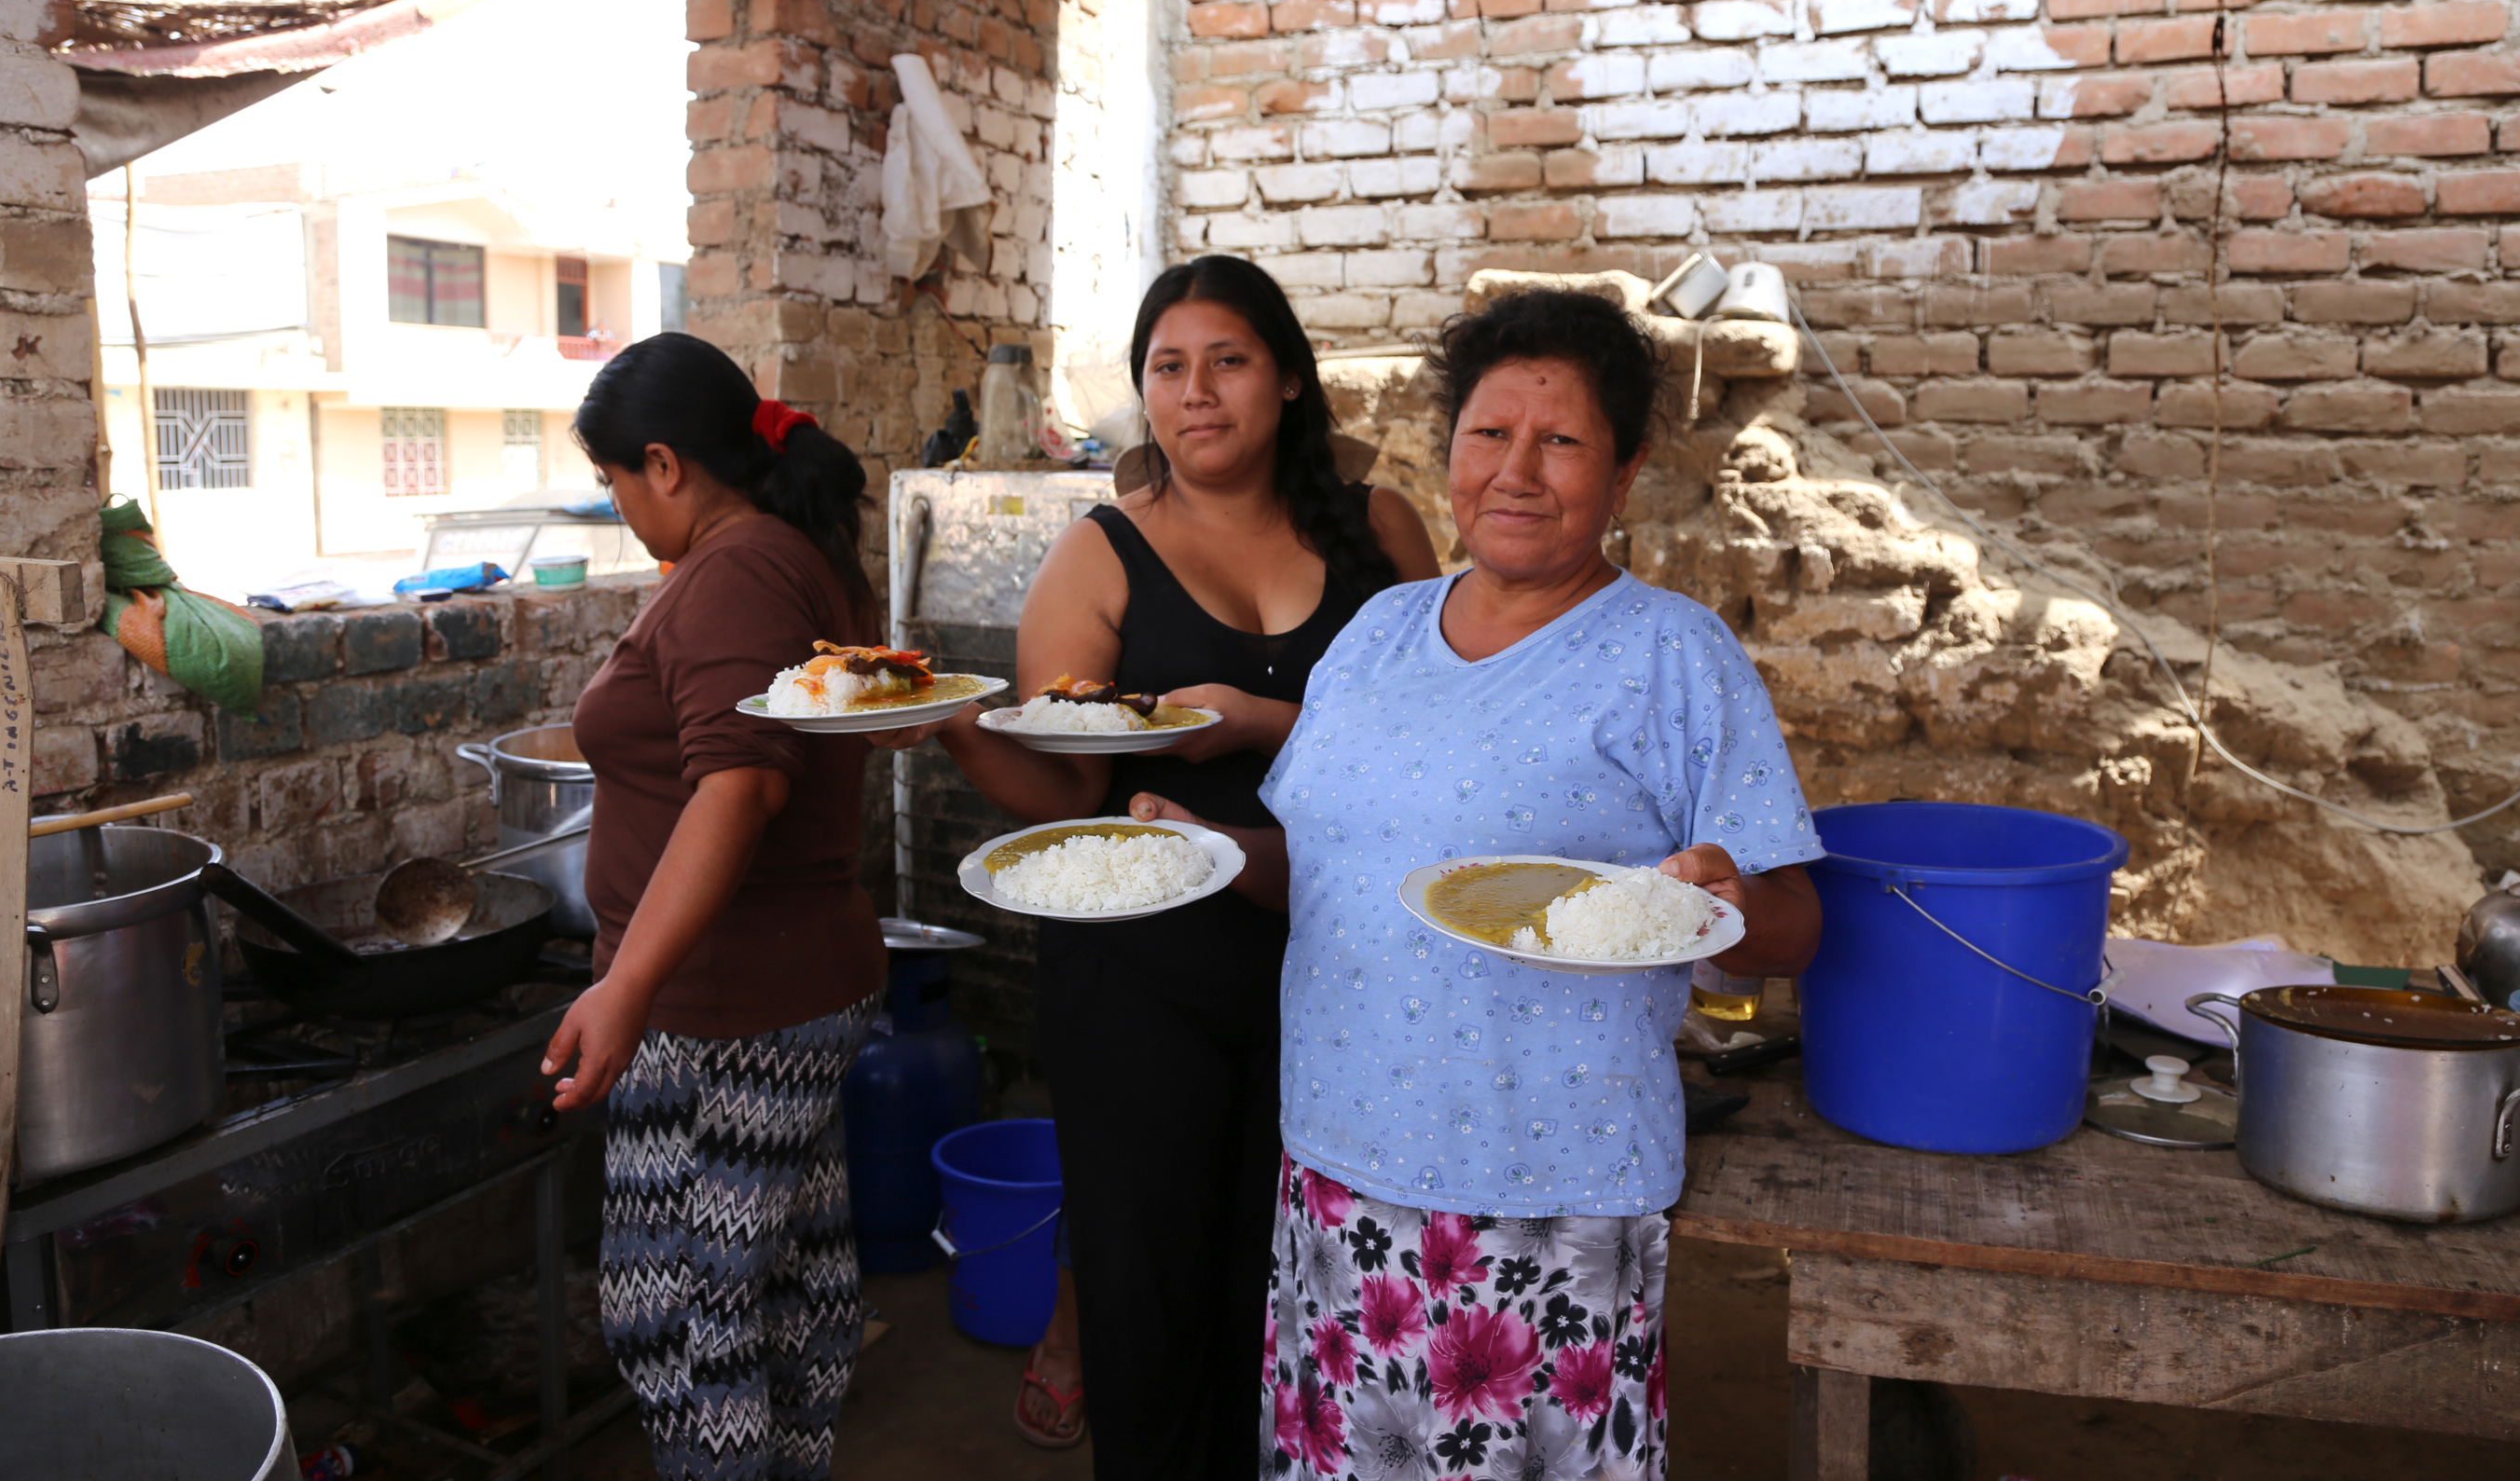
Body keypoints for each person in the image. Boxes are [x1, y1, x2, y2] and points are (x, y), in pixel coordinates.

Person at [1134, 288, 1825, 1475]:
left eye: (1560, 441)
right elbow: (1327, 870)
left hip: (1544, 1191)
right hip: (1341, 1173)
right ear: (1447, 450)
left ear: (1624, 472)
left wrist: (1723, 895)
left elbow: (1796, 927)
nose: (1516, 470)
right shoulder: (1379, 635)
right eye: (1487, 435)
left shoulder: (1672, 655)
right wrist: (1194, 849)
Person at [873, 255, 1439, 1474]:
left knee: (1301, 1282)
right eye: (1167, 369)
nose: (1195, 392)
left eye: (1226, 360)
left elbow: (1436, 752)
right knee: (1146, 1294)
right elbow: (1067, 785)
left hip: (1340, 968)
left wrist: (1255, 718)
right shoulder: (1102, 554)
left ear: (1288, 378)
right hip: (1141, 981)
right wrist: (955, 727)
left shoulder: (1382, 533)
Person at [542, 333, 888, 1480]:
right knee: (784, 1296)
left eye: (615, 483)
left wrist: (625, 986)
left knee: (686, 1321)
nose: (622, 508)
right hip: (785, 992)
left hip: (720, 1011)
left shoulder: (736, 572)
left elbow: (737, 786)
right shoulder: (784, 558)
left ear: (665, 463)